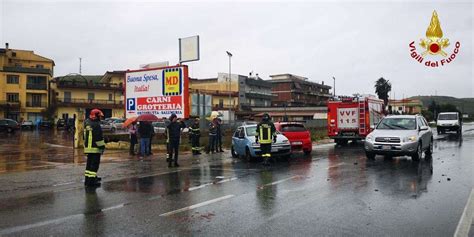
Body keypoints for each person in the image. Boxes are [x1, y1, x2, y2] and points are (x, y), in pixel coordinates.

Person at [83, 109, 106, 187]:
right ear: (95, 116)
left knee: (89, 166)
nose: (100, 118)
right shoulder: (96, 125)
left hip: (88, 148)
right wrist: (102, 146)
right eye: (99, 116)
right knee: (94, 166)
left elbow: (84, 136)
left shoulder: (87, 123)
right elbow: (98, 138)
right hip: (95, 149)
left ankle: (87, 181)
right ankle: (92, 182)